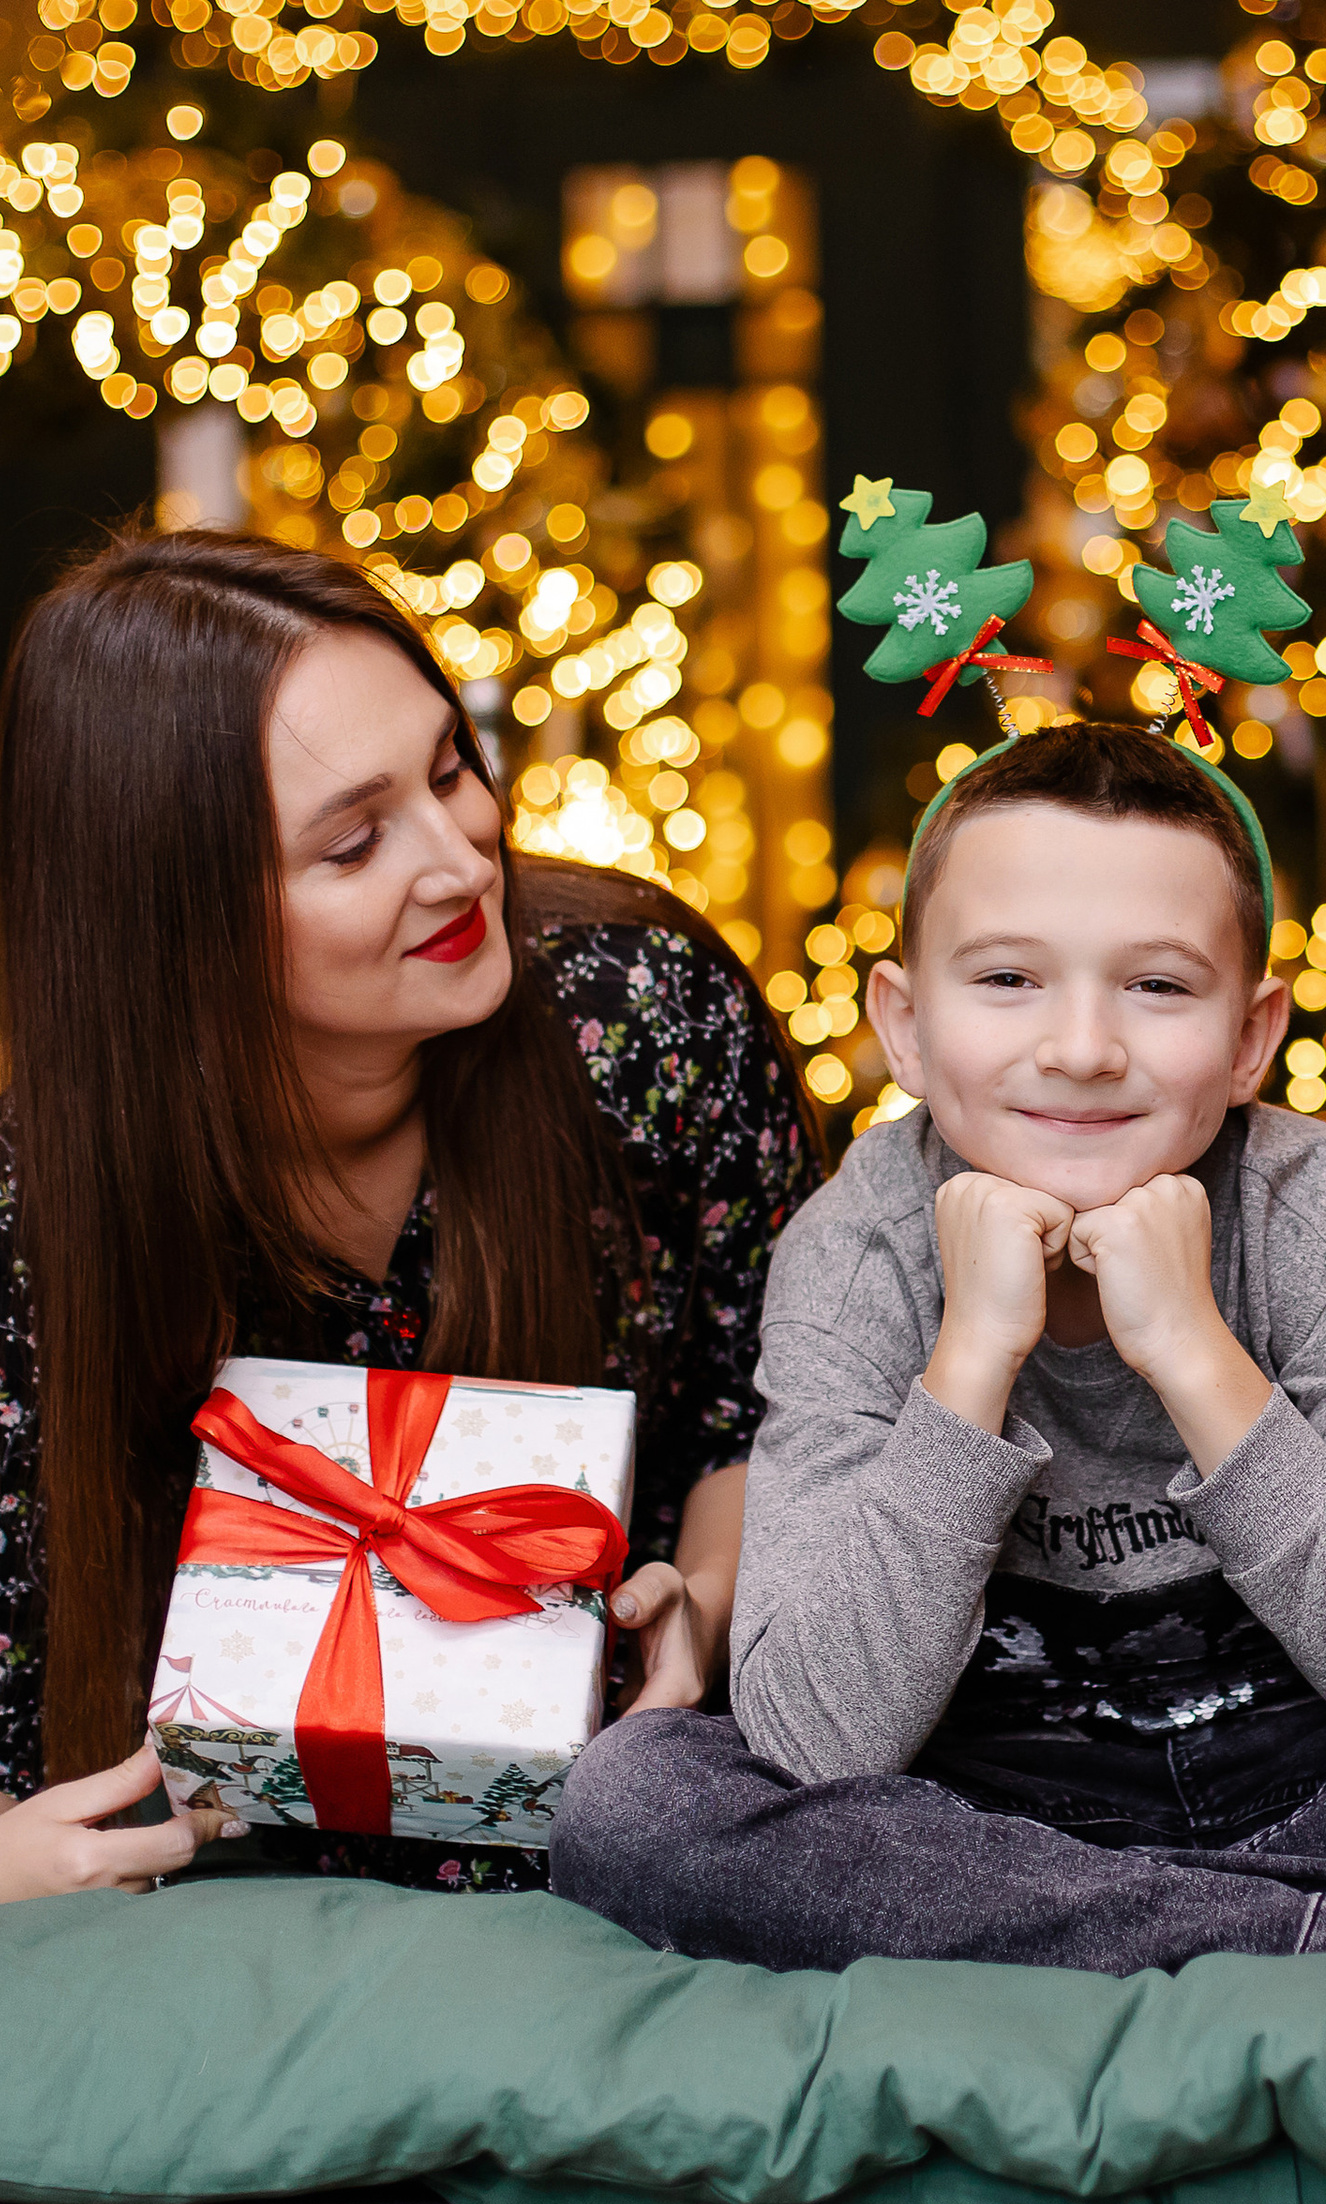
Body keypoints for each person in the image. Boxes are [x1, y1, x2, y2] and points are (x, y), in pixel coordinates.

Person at [555, 723, 1326, 2024]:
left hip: (1320, 1762)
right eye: (1009, 980)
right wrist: (971, 1359)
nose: (1083, 1047)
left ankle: (1153, 1932)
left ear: (1253, 1038)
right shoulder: (856, 1252)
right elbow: (814, 1740)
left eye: (1156, 987)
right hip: (979, 1790)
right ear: (904, 1029)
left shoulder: (1319, 1211)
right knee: (636, 1800)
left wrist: (1195, 1350)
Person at [0, 531, 821, 1904]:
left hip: (628, 1837)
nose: (464, 859)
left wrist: (706, 1609)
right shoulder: (37, 1224)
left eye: (449, 770)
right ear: (175, 930)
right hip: (217, 1913)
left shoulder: (644, 1014)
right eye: (354, 842)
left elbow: (778, 1400)